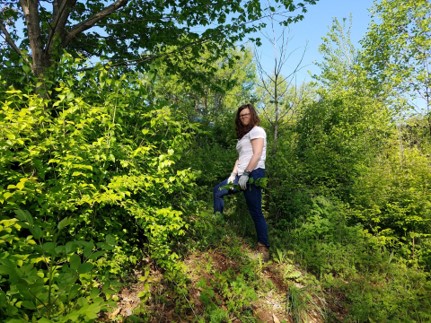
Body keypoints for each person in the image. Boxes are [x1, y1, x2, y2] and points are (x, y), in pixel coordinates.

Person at [213, 103, 269, 261]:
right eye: (241, 115)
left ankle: (263, 248)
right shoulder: (243, 136)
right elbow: (240, 158)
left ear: (252, 115)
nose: (243, 117)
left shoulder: (257, 131)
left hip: (253, 174)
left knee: (255, 211)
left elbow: (257, 154)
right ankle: (217, 225)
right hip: (240, 175)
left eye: (246, 114)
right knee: (218, 191)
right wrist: (233, 174)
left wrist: (246, 174)